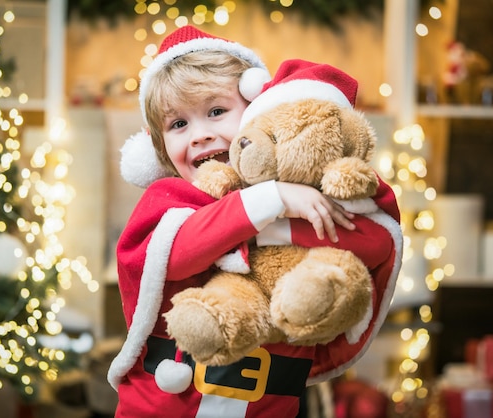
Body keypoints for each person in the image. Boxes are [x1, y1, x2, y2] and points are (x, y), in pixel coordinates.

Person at [107, 25, 402, 418]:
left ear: (257, 114)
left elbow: (374, 240)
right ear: (161, 148)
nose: (199, 135)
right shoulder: (170, 200)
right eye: (178, 125)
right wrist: (271, 201)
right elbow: (173, 255)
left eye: (216, 112)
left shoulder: (308, 188)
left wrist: (287, 211)